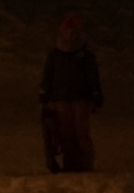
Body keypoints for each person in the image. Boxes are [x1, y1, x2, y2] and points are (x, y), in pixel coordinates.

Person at [39, 14, 103, 173]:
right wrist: (44, 95)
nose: (69, 37)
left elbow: (92, 77)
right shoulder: (55, 55)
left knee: (81, 134)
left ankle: (86, 165)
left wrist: (96, 96)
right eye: (66, 33)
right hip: (59, 99)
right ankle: (71, 166)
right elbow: (48, 76)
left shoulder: (86, 56)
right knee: (66, 134)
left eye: (72, 33)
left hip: (80, 100)